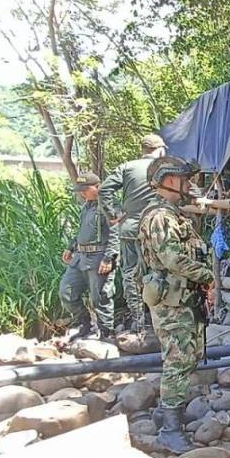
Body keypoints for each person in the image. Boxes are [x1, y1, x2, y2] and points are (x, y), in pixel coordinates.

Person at [137, 156, 213, 454]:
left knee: (186, 357)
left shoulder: (172, 215)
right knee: (177, 361)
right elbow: (172, 258)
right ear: (169, 180)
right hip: (172, 302)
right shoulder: (161, 217)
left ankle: (166, 414)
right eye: (184, 179)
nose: (188, 184)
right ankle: (170, 429)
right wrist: (207, 276)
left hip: (182, 299)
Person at [100, 133, 167, 333]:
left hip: (129, 229)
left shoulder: (126, 167)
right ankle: (158, 319)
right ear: (159, 150)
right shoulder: (164, 168)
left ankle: (139, 321)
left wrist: (113, 214)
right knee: (159, 271)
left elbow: (104, 190)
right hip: (156, 230)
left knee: (130, 275)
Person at [59, 172, 118, 340]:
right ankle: (85, 324)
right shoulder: (86, 206)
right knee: (67, 291)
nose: (82, 193)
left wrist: (109, 257)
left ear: (98, 187)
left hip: (99, 257)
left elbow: (116, 232)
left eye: (86, 189)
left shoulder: (109, 205)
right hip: (80, 256)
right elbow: (82, 230)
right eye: (80, 190)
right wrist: (71, 247)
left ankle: (106, 333)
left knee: (100, 297)